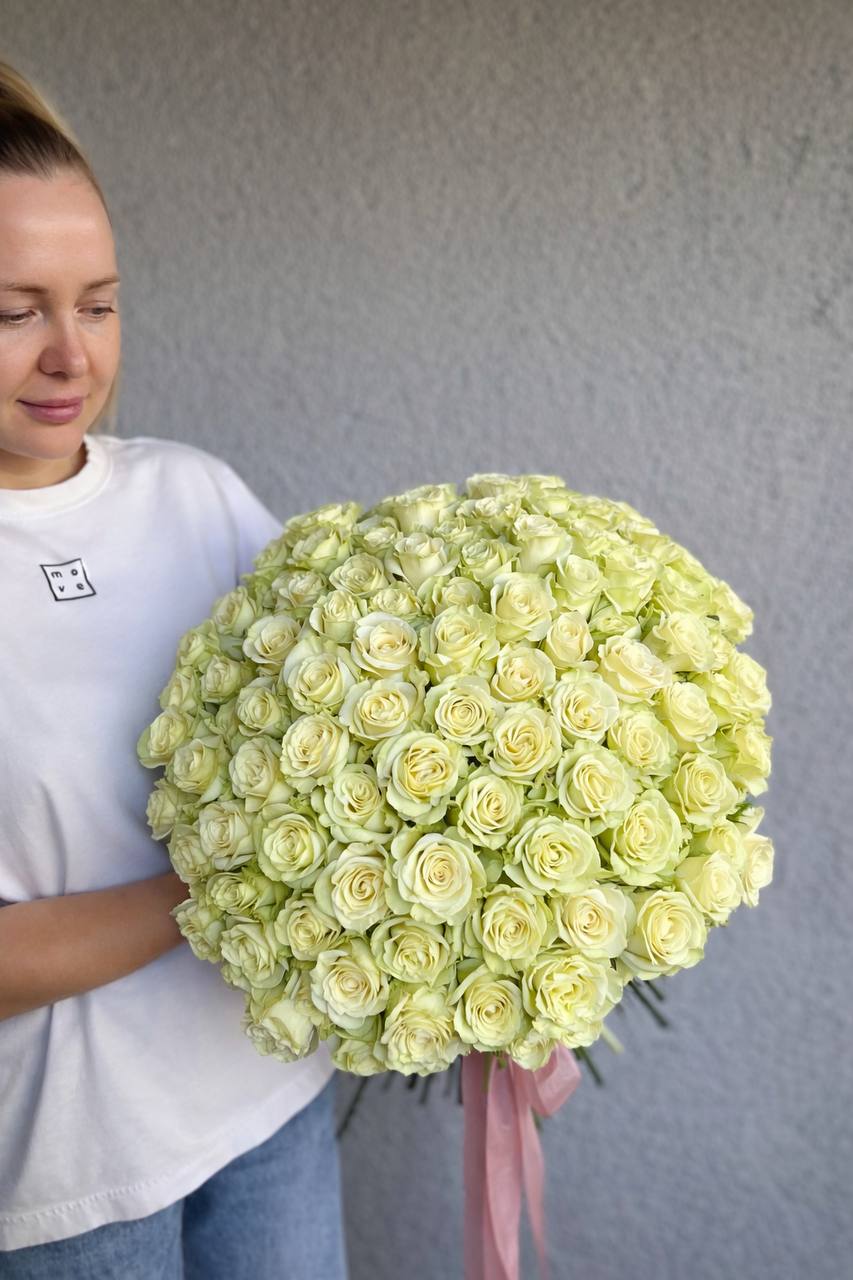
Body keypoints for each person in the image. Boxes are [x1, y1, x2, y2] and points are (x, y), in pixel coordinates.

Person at [0, 61, 349, 1278]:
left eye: (97, 303)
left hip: (266, 1100)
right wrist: (226, 878)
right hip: (72, 1184)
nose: (67, 355)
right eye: (13, 309)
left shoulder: (196, 494)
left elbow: (346, 723)